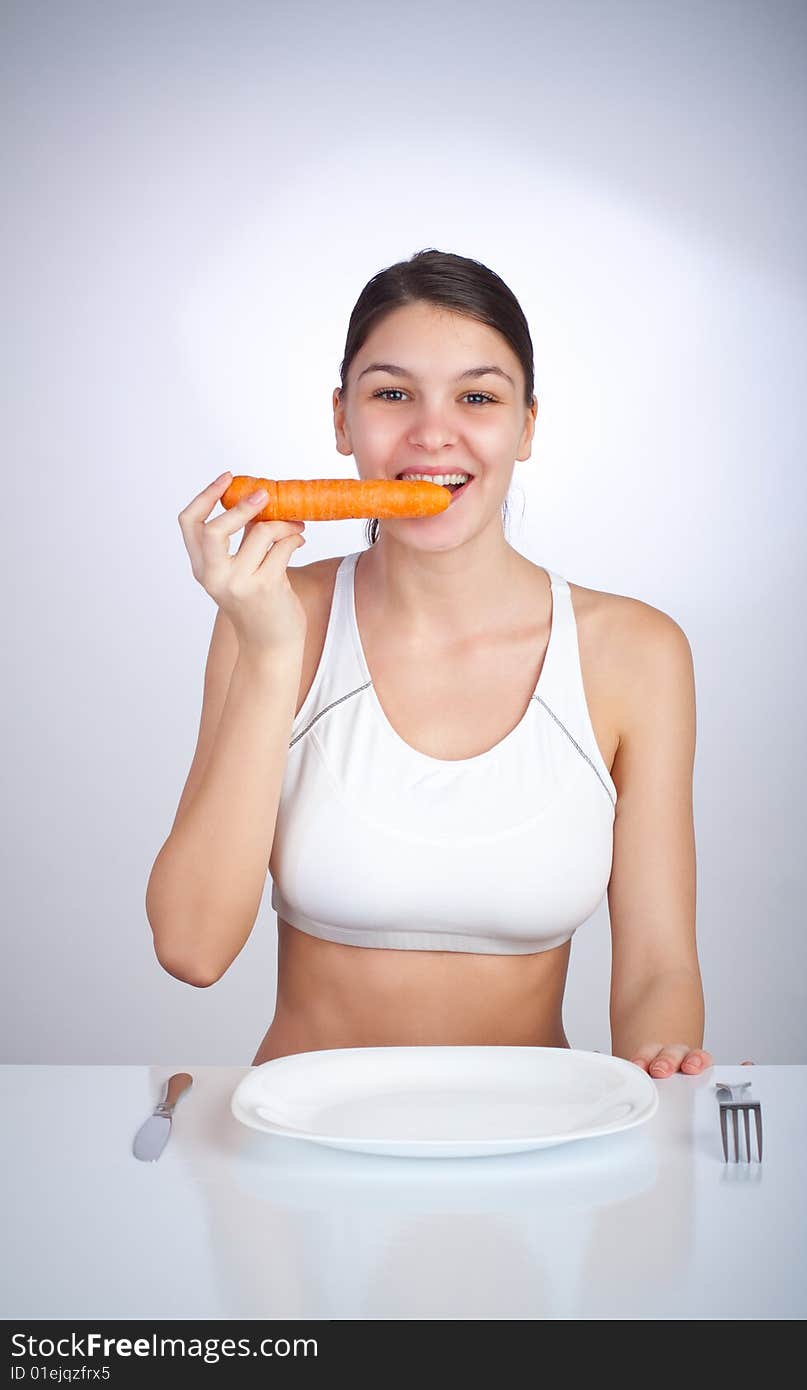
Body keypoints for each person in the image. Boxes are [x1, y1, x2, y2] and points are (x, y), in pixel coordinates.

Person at [146, 247, 713, 1080]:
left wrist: (662, 1070)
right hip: (303, 1155)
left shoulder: (636, 652)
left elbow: (661, 965)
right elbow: (191, 948)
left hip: (534, 1152)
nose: (432, 432)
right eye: (391, 394)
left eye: (478, 397)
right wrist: (270, 652)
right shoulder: (266, 618)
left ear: (526, 427)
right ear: (343, 420)